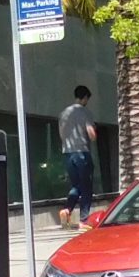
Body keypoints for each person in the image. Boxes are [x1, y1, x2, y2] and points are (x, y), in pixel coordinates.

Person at [56, 85, 98, 227]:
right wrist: (93, 135)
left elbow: (61, 134)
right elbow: (91, 134)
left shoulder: (63, 113)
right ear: (85, 98)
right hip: (82, 153)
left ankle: (67, 209)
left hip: (67, 153)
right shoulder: (85, 112)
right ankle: (84, 219)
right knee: (86, 187)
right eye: (87, 99)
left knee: (76, 185)